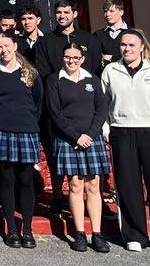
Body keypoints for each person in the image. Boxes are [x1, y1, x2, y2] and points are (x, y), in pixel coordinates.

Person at [102, 27, 150, 255]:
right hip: (122, 132)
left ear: (142, 47)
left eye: (131, 45)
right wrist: (107, 130)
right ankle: (135, 235)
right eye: (123, 45)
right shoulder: (111, 71)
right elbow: (102, 104)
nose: (126, 48)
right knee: (128, 186)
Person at [44, 41, 110, 253]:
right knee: (75, 185)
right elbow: (55, 112)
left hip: (92, 138)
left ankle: (97, 234)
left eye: (75, 57)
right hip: (68, 139)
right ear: (62, 58)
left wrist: (90, 135)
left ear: (82, 59)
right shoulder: (54, 80)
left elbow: (101, 109)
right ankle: (79, 233)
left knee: (93, 185)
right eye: (67, 57)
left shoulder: (92, 79)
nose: (71, 61)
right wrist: (76, 136)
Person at [0, 31, 43, 249]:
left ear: (15, 46)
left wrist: (27, 122)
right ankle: (12, 229)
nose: (3, 50)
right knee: (6, 180)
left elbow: (38, 103)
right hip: (0, 130)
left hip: (26, 130)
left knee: (26, 180)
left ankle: (27, 229)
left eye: (7, 45)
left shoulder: (30, 72)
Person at [35, 0, 101, 80]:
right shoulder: (44, 42)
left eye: (66, 12)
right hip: (56, 86)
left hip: (86, 86)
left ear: (75, 14)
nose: (62, 16)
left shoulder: (90, 39)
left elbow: (96, 69)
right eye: (58, 12)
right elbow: (44, 72)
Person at [96, 0, 129, 67]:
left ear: (121, 12)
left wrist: (112, 58)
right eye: (105, 11)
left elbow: (137, 56)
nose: (107, 14)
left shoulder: (133, 33)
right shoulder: (98, 35)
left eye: (111, 11)